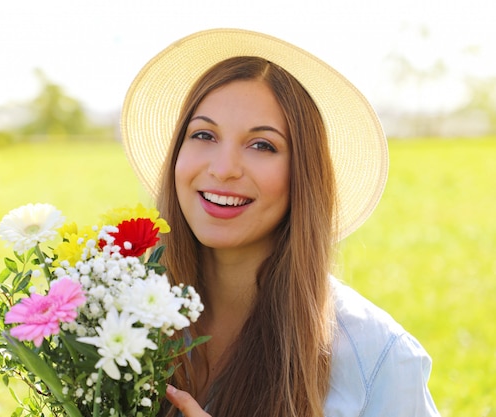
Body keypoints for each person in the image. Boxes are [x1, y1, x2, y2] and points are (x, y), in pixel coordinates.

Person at [120, 29, 440, 417]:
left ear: (302, 174)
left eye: (262, 145)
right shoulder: (116, 313)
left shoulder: (377, 359)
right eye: (204, 134)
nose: (223, 170)